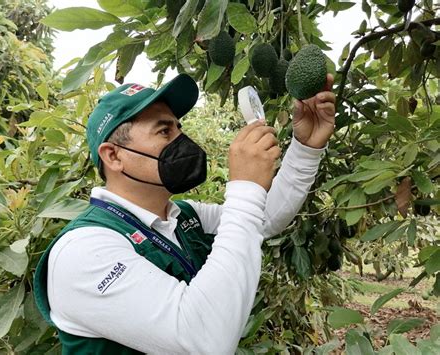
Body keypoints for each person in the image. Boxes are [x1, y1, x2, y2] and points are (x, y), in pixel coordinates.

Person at [34, 73, 335, 354]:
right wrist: (244, 187)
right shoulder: (82, 252)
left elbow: (263, 217)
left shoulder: (186, 219)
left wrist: (306, 148)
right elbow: (204, 338)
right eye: (164, 130)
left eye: (179, 127)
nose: (181, 139)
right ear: (114, 156)